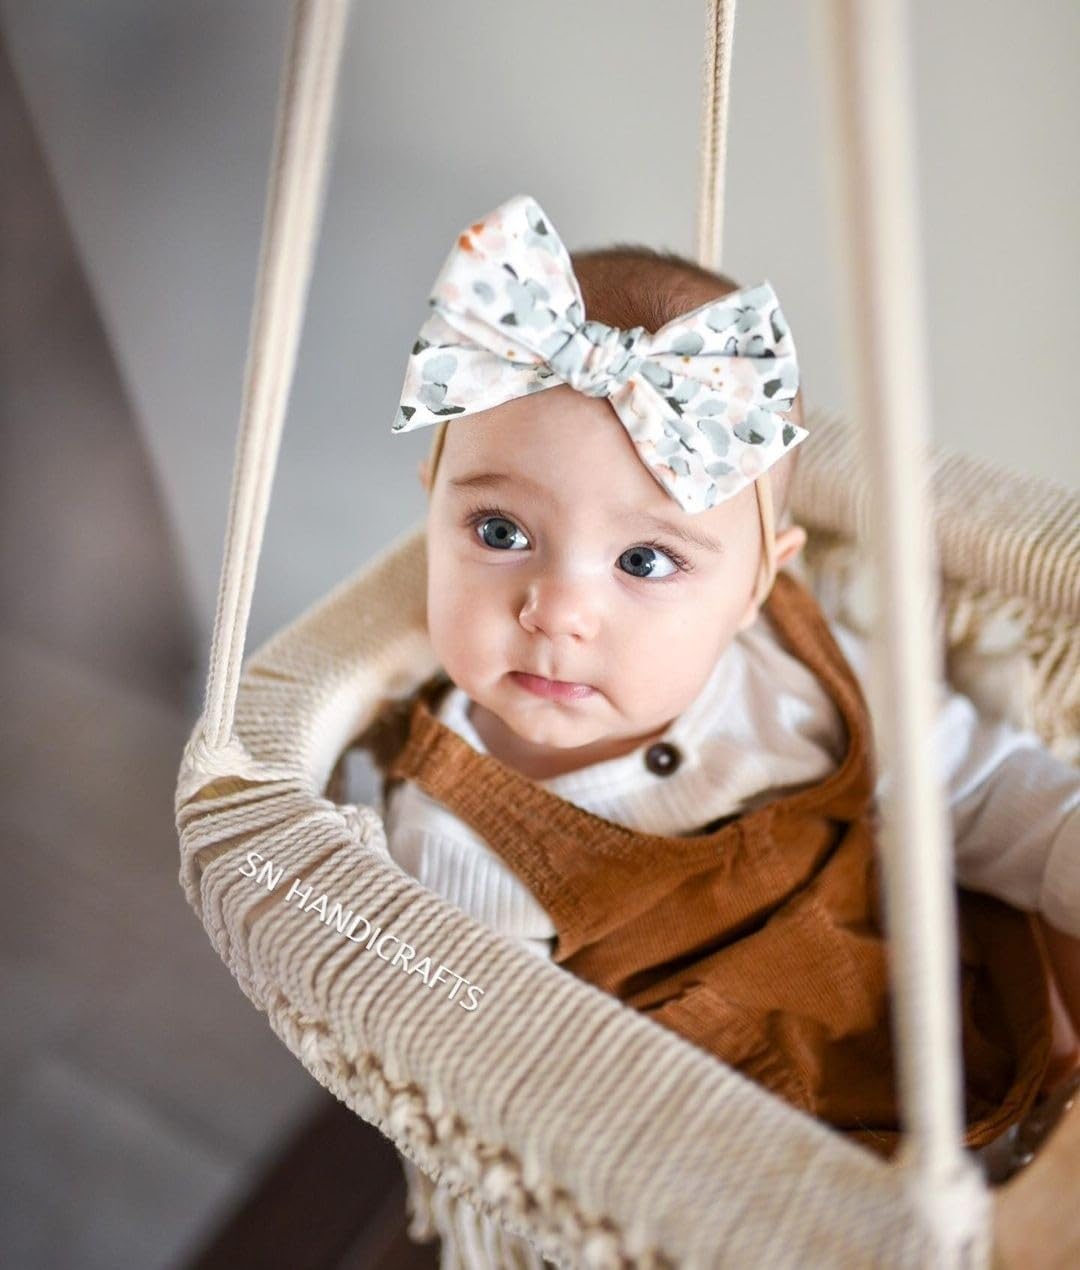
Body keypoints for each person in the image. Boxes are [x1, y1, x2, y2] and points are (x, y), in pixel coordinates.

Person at [364, 194, 1079, 1157]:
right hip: (766, 1174)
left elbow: (984, 788)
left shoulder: (789, 662)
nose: (558, 610)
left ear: (756, 584)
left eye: (646, 562)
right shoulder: (453, 840)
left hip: (982, 1016)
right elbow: (526, 1093)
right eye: (500, 533)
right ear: (432, 514)